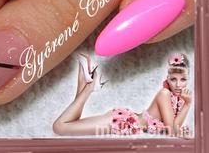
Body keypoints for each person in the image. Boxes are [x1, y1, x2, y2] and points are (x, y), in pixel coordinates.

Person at [53, 53, 192, 137]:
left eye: (183, 80)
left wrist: (186, 104)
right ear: (168, 78)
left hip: (127, 121)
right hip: (123, 122)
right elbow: (171, 130)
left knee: (72, 124)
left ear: (188, 79)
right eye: (173, 79)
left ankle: (84, 79)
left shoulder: (178, 99)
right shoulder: (164, 94)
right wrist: (188, 104)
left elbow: (175, 127)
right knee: (60, 127)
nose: (178, 84)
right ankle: (90, 86)